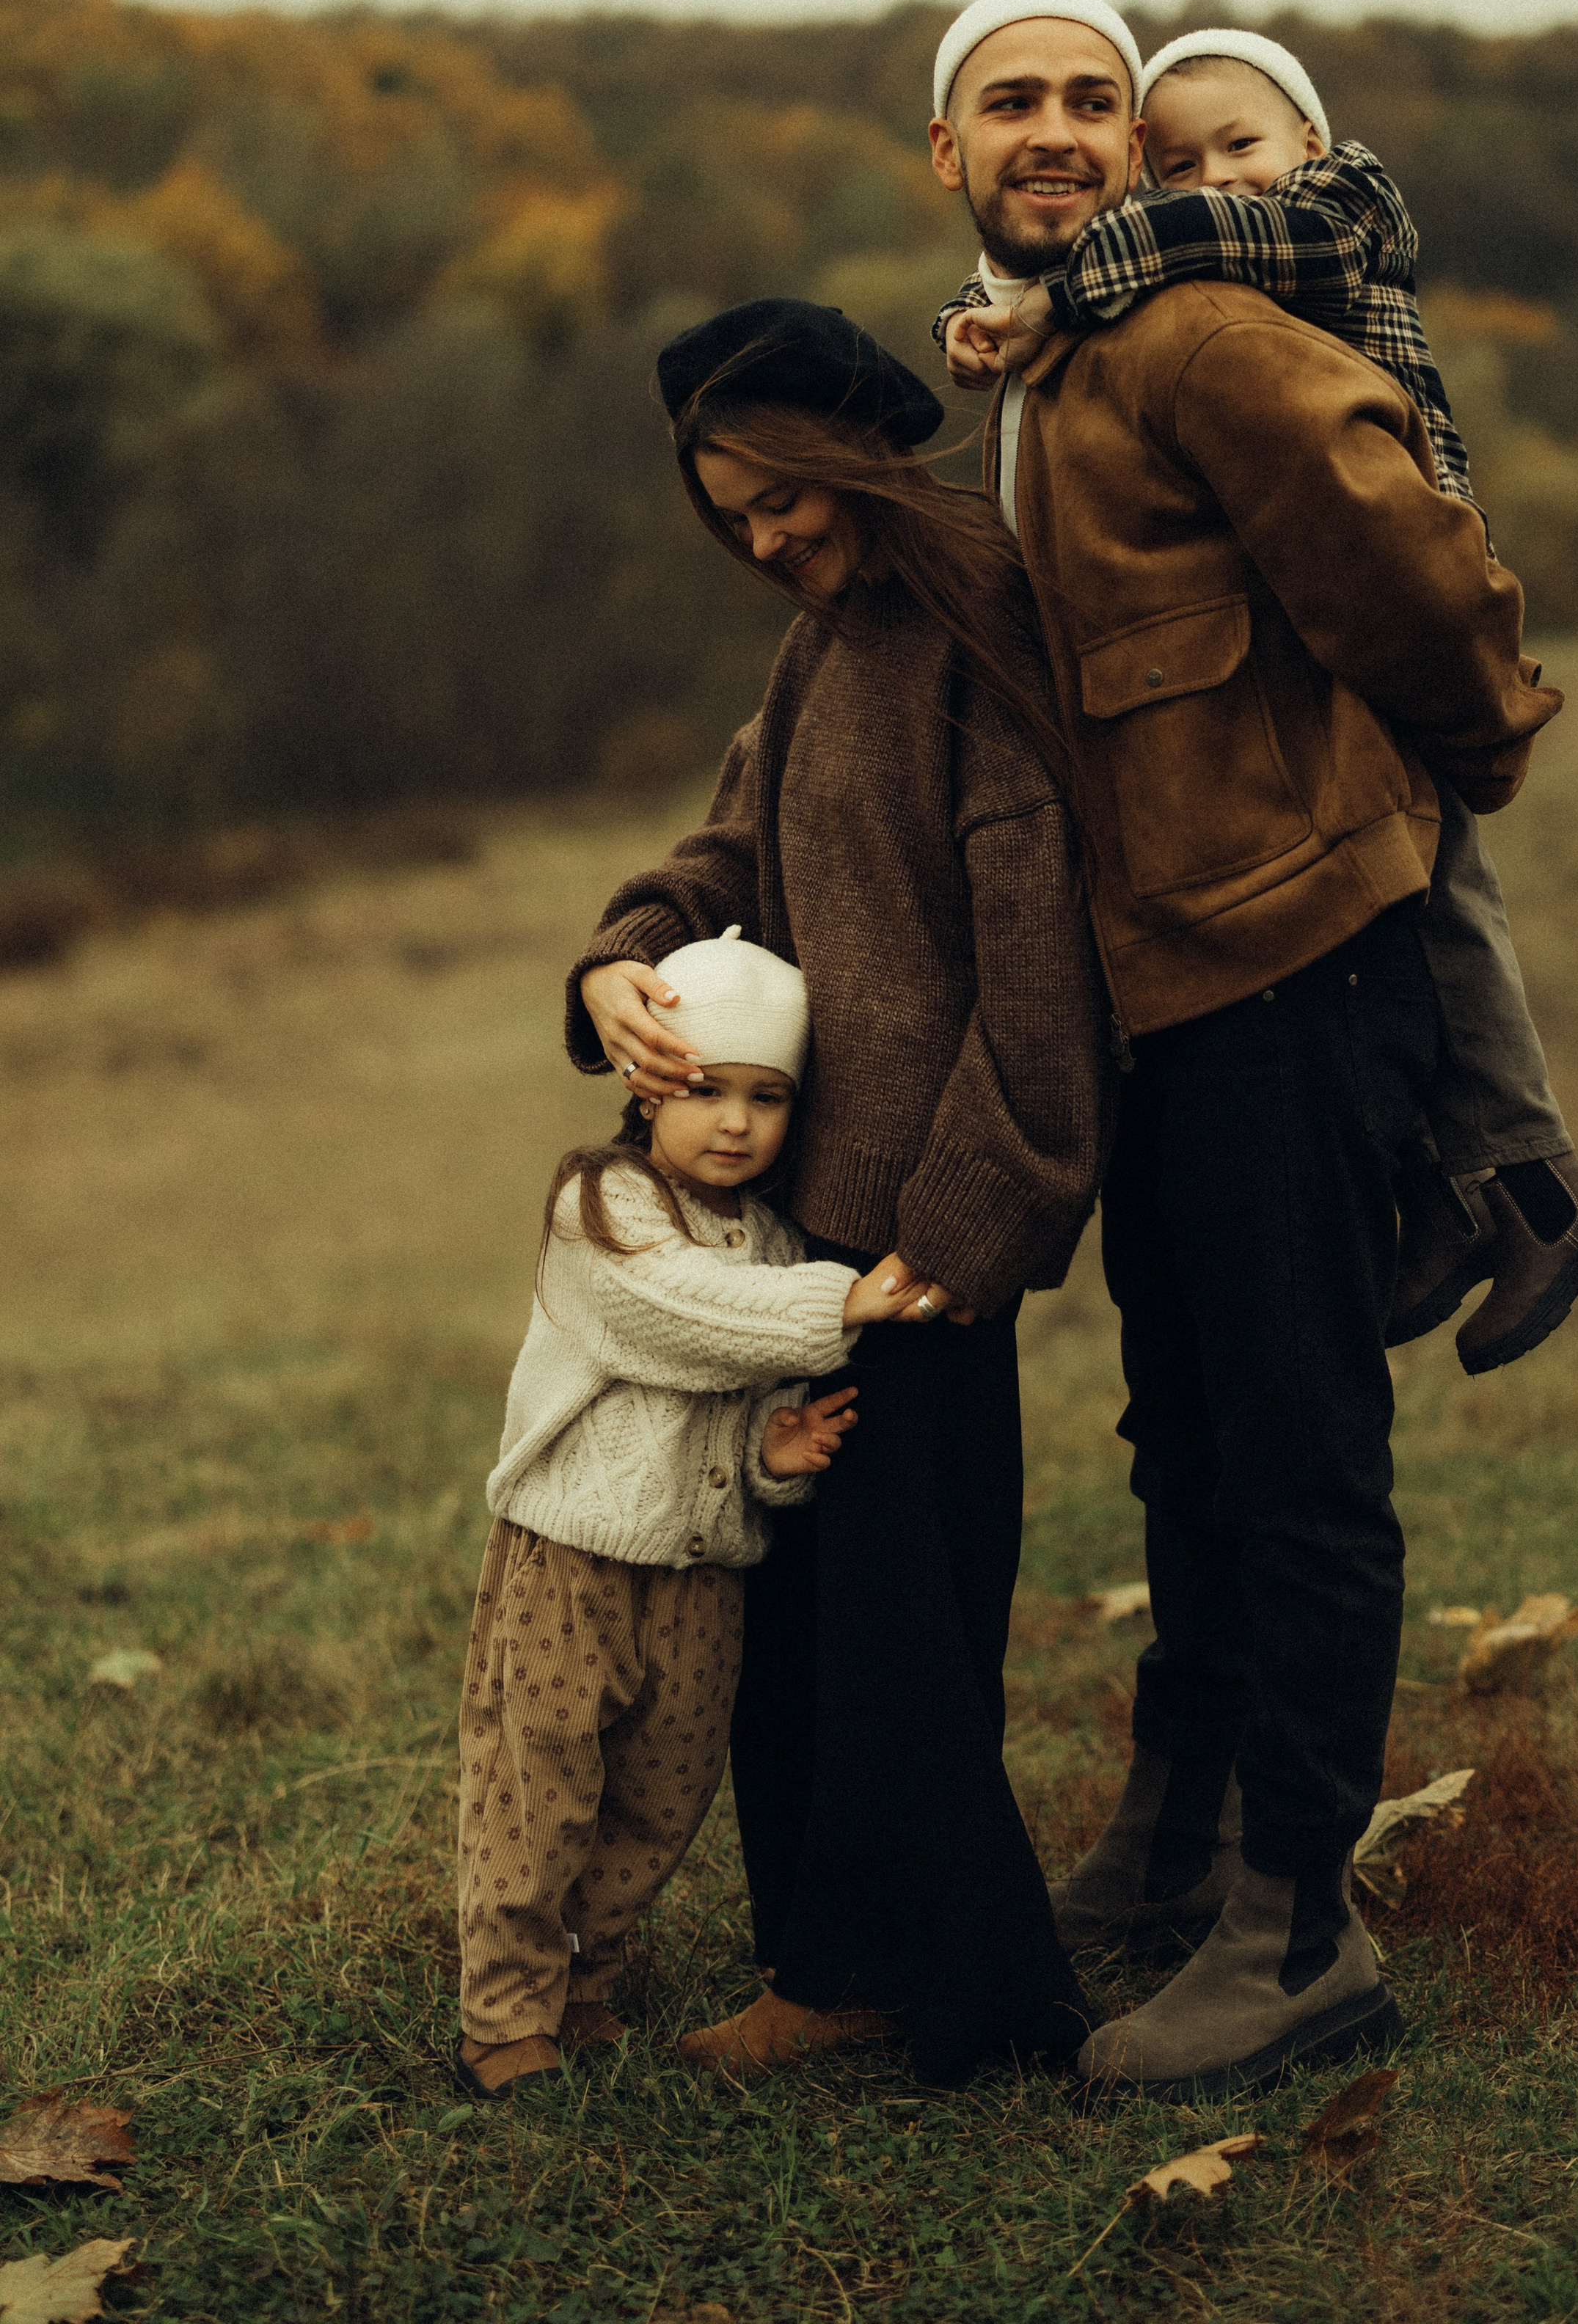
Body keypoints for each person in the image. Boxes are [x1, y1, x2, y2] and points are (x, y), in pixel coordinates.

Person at [924, 0, 1563, 2097]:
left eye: (1094, 102)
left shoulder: (1196, 335)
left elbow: (1403, 547)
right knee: (1184, 1436)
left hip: (1302, 971)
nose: (1060, 130)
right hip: (1161, 1005)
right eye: (1011, 101)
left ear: (1131, 144)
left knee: (1293, 1453)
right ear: (951, 154)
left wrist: (1469, 758)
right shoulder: (1041, 369)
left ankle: (1302, 1927)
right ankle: (1175, 1839)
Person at [565, 296, 1114, 2089]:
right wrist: (620, 960)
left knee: (899, 1635)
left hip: (916, 1242)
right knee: (817, 1624)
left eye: (775, 498)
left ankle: (957, 2001)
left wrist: (962, 1231)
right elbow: (731, 846)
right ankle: (838, 1965)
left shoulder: (968, 617)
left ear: (850, 448)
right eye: (730, 518)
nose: (762, 540)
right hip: (821, 1240)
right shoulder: (830, 642)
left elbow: (1038, 967)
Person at [936, 22, 1578, 1378]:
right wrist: (1002, 318)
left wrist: (1483, 740)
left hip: (1399, 608)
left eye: (1241, 148)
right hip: (1216, 874)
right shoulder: (1123, 310)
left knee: (1447, 897)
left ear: (1312, 146)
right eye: (1184, 161)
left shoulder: (1325, 224)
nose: (1221, 182)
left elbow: (1414, 580)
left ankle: (1542, 1183)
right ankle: (1472, 1196)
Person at [454, 927, 899, 2100]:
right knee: (540, 1782)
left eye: (768, 1097)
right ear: (648, 1087)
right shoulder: (599, 1206)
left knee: (663, 1793)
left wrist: (771, 1453)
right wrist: (845, 1303)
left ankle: (589, 1976)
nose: (737, 1123)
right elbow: (683, 1319)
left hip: (704, 1574)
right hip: (574, 1559)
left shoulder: (775, 1240)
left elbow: (721, 1408)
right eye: (705, 1089)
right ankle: (505, 2009)